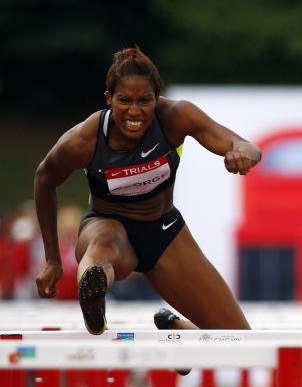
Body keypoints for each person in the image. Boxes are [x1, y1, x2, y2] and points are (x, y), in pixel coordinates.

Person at [34, 46, 260, 336]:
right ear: (109, 99)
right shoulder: (84, 140)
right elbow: (44, 179)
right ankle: (93, 293)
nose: (135, 112)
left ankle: (179, 330)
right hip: (109, 225)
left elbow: (243, 145)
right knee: (103, 246)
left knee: (240, 339)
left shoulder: (176, 116)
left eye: (145, 101)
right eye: (124, 101)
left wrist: (241, 154)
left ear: (157, 99)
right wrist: (52, 259)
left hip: (165, 232)